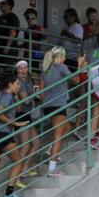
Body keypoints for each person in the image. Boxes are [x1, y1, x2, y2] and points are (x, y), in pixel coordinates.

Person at [40, 46, 73, 176]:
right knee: (58, 135)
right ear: (60, 56)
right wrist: (81, 65)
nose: (65, 58)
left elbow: (41, 93)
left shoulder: (45, 69)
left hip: (47, 106)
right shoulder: (62, 67)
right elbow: (76, 80)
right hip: (58, 105)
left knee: (67, 127)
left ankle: (51, 150)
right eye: (64, 56)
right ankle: (52, 169)